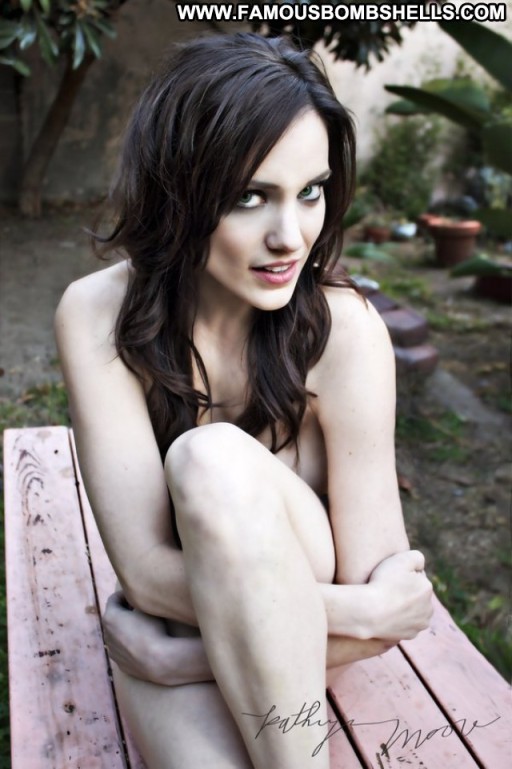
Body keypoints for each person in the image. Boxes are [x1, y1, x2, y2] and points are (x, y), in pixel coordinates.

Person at [55, 32, 433, 769]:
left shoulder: (345, 332)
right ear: (178, 191)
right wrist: (355, 612)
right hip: (206, 626)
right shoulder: (96, 315)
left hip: (224, 649)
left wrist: (173, 656)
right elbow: (146, 573)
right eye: (249, 197)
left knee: (213, 458)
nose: (290, 237)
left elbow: (383, 596)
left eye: (310, 191)